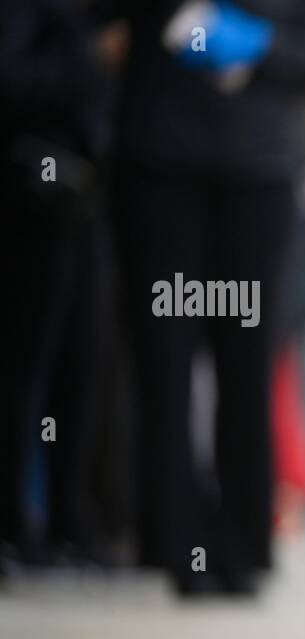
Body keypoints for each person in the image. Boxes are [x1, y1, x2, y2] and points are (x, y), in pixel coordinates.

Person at [112, 1, 305, 595]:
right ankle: (170, 539)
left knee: (247, 369)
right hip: (164, 175)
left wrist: (252, 47)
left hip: (256, 180)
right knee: (166, 366)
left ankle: (245, 541)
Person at [0, 0, 123, 570]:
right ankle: (14, 527)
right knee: (24, 369)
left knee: (84, 366)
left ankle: (72, 524)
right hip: (31, 198)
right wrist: (90, 57)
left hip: (86, 202)